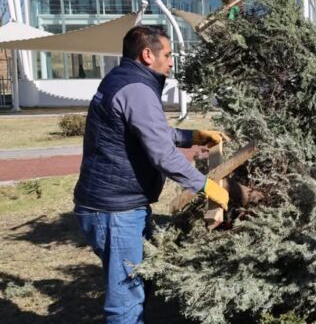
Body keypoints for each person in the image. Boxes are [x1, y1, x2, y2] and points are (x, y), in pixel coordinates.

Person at [73, 25, 231, 324]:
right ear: (148, 54)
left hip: (115, 204)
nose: (171, 62)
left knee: (138, 282)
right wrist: (206, 186)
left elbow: (146, 132)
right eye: (168, 55)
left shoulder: (122, 79)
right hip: (115, 211)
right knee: (126, 300)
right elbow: (163, 155)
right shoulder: (137, 89)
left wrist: (191, 136)